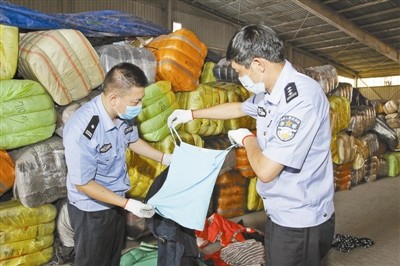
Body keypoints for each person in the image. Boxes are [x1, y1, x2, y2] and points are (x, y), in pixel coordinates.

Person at [168, 24, 335, 266]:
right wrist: (191, 114)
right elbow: (236, 108)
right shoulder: (271, 93)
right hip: (282, 213)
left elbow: (266, 171)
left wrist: (248, 139)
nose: (240, 78)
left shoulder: (300, 99)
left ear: (258, 64)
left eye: (239, 71)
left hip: (301, 220)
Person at [63, 62, 172, 266]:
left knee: (113, 258)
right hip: (91, 209)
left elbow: (132, 140)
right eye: (136, 101)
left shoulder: (122, 115)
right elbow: (83, 183)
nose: (138, 106)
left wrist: (164, 158)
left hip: (116, 201)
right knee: (93, 262)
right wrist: (128, 204)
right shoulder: (83, 130)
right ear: (114, 98)